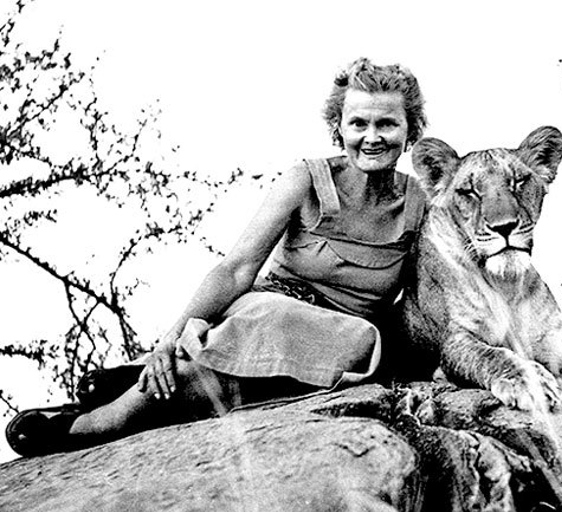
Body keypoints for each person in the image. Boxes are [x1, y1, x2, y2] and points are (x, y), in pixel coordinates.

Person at [6, 57, 428, 457]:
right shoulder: (307, 180)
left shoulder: (421, 205)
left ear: (411, 130)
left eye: (387, 124)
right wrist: (167, 341)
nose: (372, 137)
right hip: (269, 309)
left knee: (357, 342)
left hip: (339, 338)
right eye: (358, 123)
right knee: (269, 318)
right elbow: (237, 267)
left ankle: (134, 389)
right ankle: (104, 420)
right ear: (339, 128)